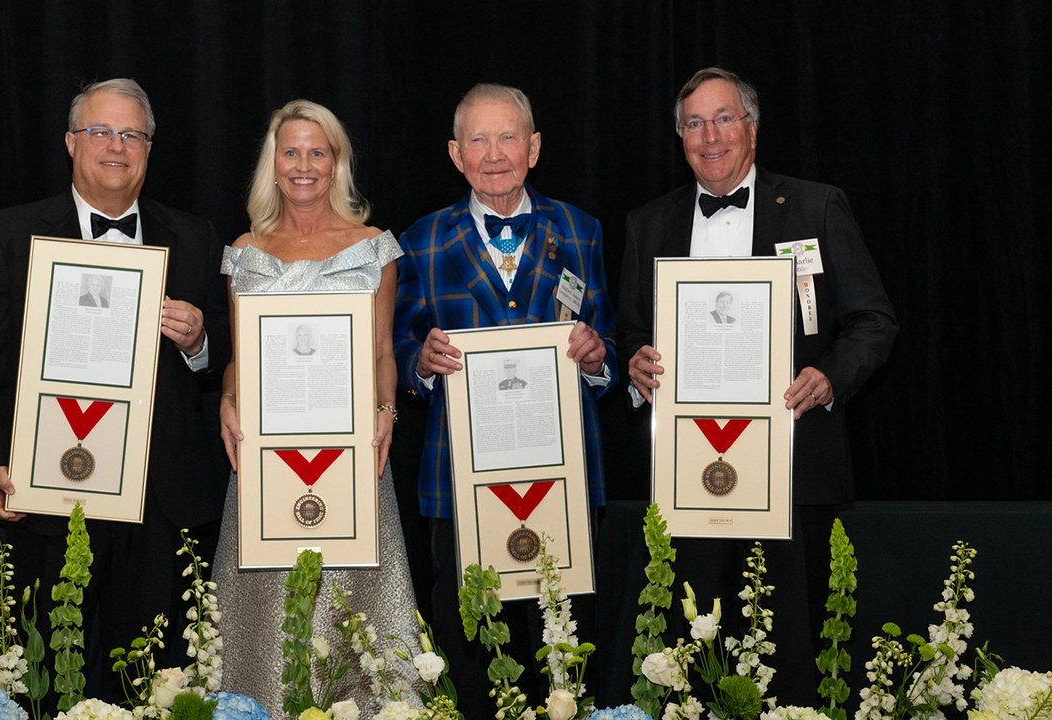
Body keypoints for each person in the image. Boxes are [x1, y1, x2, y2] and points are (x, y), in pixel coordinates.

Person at [615, 67, 897, 704]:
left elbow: (874, 321)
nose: (709, 136)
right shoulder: (647, 223)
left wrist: (829, 376)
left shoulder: (815, 205)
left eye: (723, 118)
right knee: (690, 652)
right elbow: (630, 327)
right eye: (694, 123)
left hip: (795, 471)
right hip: (689, 477)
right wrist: (634, 362)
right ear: (680, 137)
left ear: (752, 128)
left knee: (794, 654)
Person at [0, 79, 230, 700]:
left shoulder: (196, 237)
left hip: (161, 502)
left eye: (131, 134)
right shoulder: (10, 233)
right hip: (48, 494)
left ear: (149, 149)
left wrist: (198, 342)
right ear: (71, 144)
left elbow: (224, 360)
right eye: (101, 132)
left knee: (155, 689)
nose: (116, 146)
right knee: (43, 679)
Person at [393, 83, 618, 717]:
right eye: (479, 139)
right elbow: (399, 342)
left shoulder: (581, 230)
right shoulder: (420, 240)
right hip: (458, 479)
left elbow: (611, 342)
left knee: (566, 654)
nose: (495, 154)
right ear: (455, 153)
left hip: (565, 478)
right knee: (471, 655)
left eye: (509, 136)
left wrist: (600, 360)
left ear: (535, 147)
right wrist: (421, 362)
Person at [213, 99, 421, 716]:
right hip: (264, 459)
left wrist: (386, 411)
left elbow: (385, 353)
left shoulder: (373, 247)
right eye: (291, 151)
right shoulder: (245, 250)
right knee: (258, 618)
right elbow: (236, 359)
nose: (304, 164)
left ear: (337, 164)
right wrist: (227, 396)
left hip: (352, 458)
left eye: (318, 152)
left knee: (356, 617)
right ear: (273, 166)